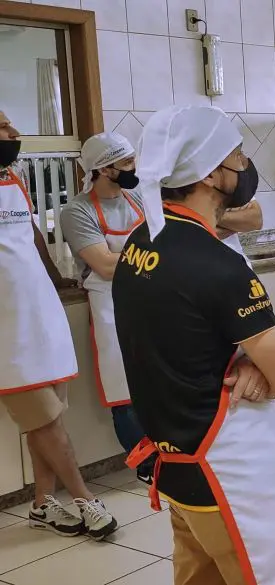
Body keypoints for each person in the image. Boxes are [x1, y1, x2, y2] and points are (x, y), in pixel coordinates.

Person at [114, 104, 275, 585]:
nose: (245, 167)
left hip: (177, 460)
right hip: (233, 469)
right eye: (238, 156)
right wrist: (257, 363)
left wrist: (248, 359)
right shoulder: (218, 266)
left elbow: (186, 341)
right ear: (210, 174)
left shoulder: (140, 243)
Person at [0, 111, 117, 539]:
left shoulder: (12, 178)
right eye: (4, 128)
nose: (14, 134)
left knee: (44, 420)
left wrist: (52, 276)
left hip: (39, 314)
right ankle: (84, 497)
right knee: (46, 420)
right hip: (5, 330)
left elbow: (29, 232)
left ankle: (42, 504)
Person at [59, 131, 157, 484]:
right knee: (123, 388)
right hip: (109, 305)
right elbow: (103, 265)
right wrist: (153, 255)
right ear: (104, 169)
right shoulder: (78, 211)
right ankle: (145, 463)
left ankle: (171, 455)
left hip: (151, 297)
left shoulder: (140, 198)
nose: (134, 168)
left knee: (159, 378)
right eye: (127, 162)